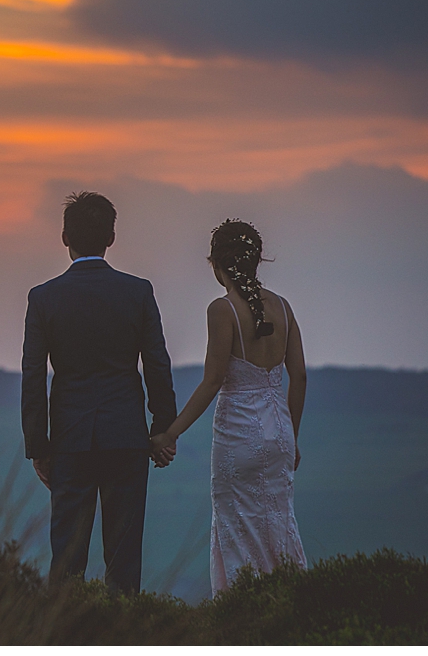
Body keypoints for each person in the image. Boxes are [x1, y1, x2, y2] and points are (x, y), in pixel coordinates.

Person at [22, 191, 178, 595]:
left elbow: (33, 376)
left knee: (67, 559)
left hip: (70, 441)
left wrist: (39, 446)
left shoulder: (43, 298)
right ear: (111, 237)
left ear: (64, 237)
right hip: (126, 435)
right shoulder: (138, 291)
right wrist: (164, 427)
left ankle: (66, 632)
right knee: (124, 560)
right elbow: (158, 365)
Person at [150, 219, 307, 596]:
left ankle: (243, 610)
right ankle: (292, 602)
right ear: (256, 262)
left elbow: (213, 380)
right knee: (279, 522)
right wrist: (292, 438)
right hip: (280, 434)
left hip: (238, 436)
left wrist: (170, 433)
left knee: (238, 527)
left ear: (218, 266)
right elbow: (298, 376)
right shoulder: (283, 308)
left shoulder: (223, 309)